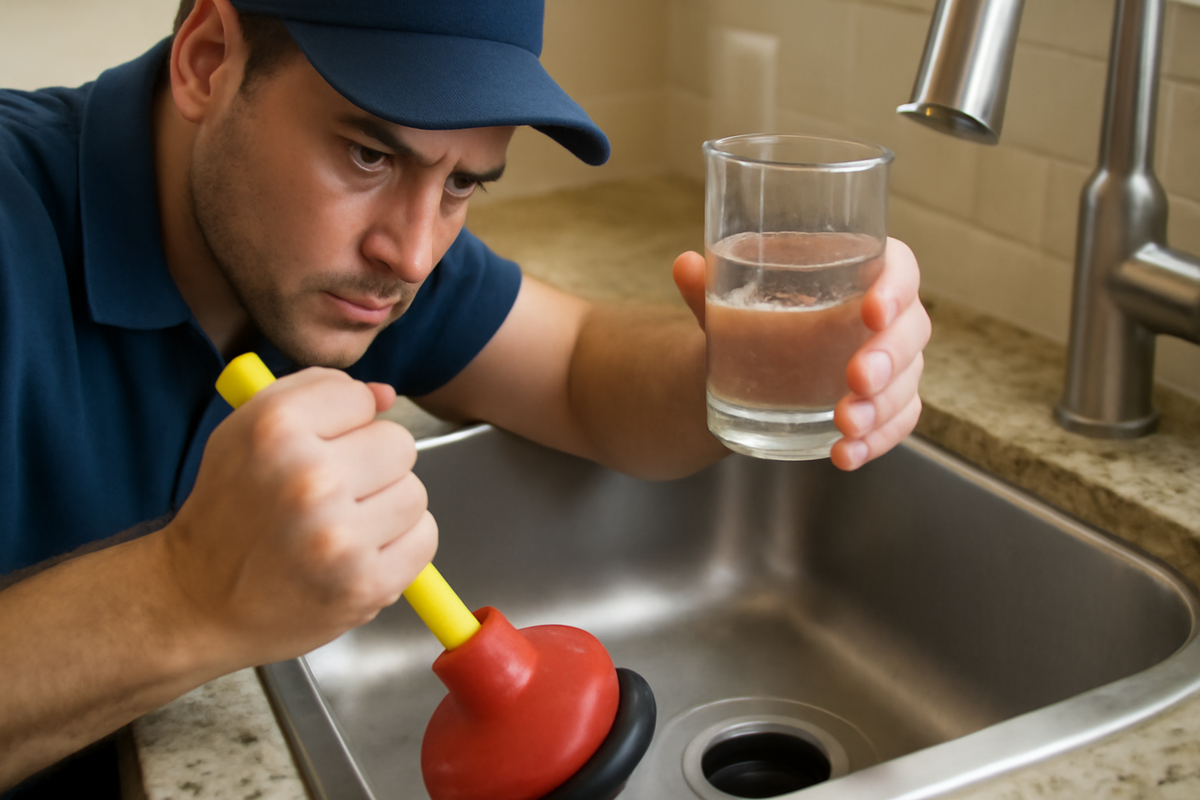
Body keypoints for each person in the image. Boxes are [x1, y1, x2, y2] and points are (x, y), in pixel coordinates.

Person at [0, 0, 930, 794]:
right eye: (368, 155)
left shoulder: (342, 265)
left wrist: (760, 365)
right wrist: (187, 594)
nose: (411, 254)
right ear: (208, 60)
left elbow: (577, 369)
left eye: (464, 185)